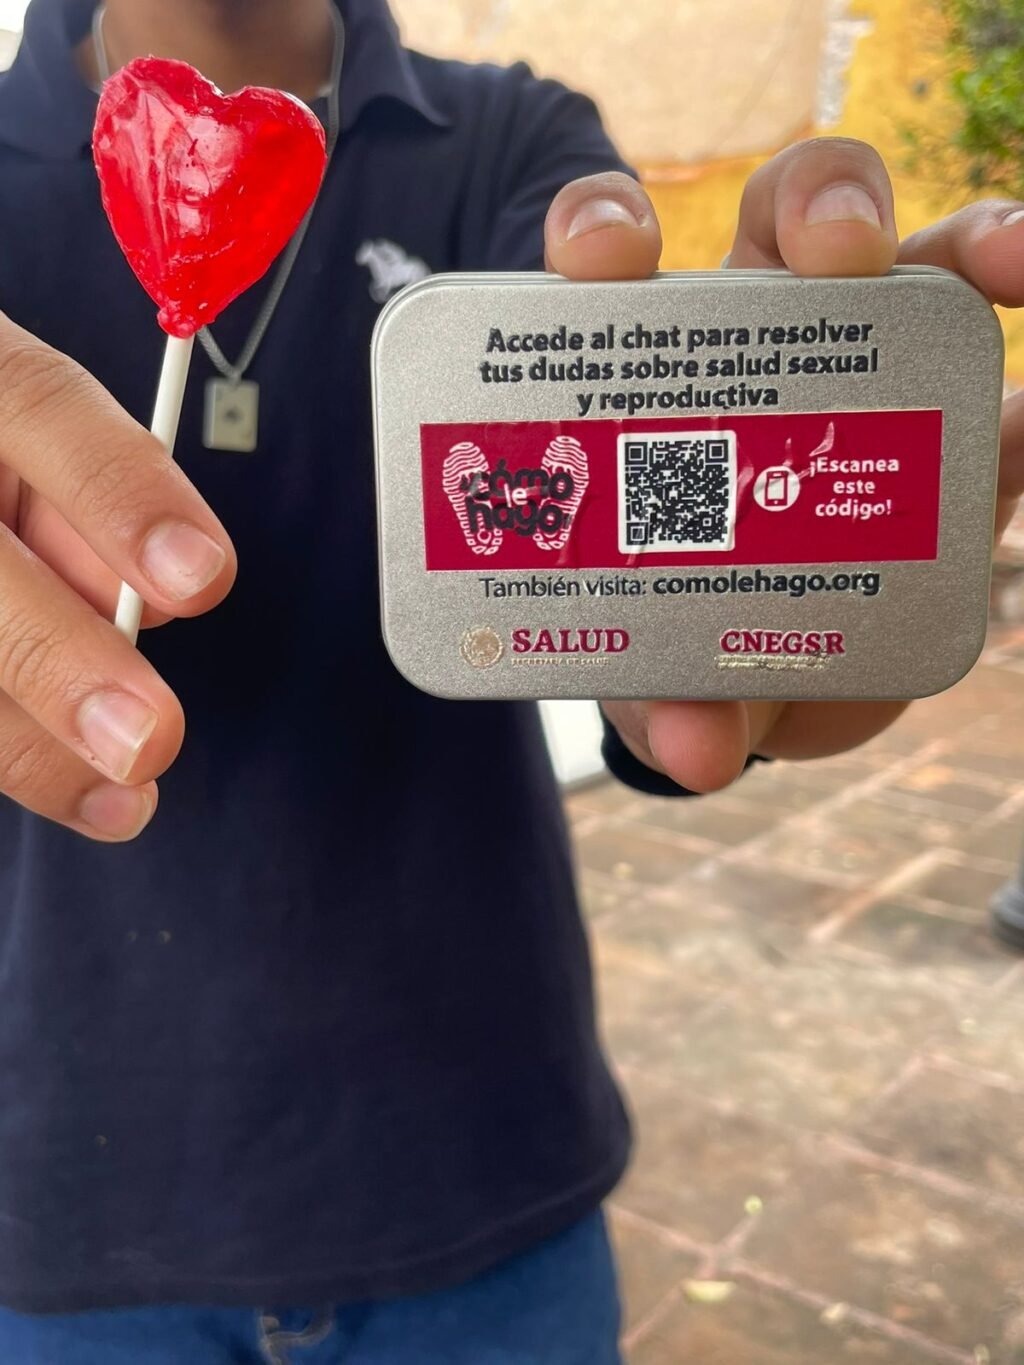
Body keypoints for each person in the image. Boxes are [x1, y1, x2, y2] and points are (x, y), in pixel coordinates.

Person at [0, 1, 1020, 1361]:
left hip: (480, 1164)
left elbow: (608, 472)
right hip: (57, 1197)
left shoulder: (511, 141)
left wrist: (717, 615)